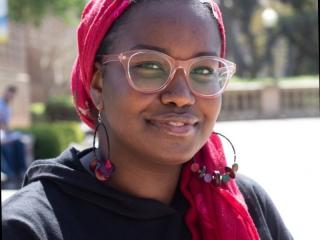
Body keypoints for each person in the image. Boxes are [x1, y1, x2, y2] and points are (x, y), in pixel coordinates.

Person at [2, 0, 293, 239]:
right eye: (150, 66)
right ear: (98, 83)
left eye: (203, 70)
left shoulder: (244, 204)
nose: (181, 96)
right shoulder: (29, 229)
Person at [0, 85, 27, 183]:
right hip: (2, 135)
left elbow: (6, 125)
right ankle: (10, 174)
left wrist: (10, 132)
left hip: (5, 134)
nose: (9, 97)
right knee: (8, 146)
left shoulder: (8, 108)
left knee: (19, 143)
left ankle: (21, 171)